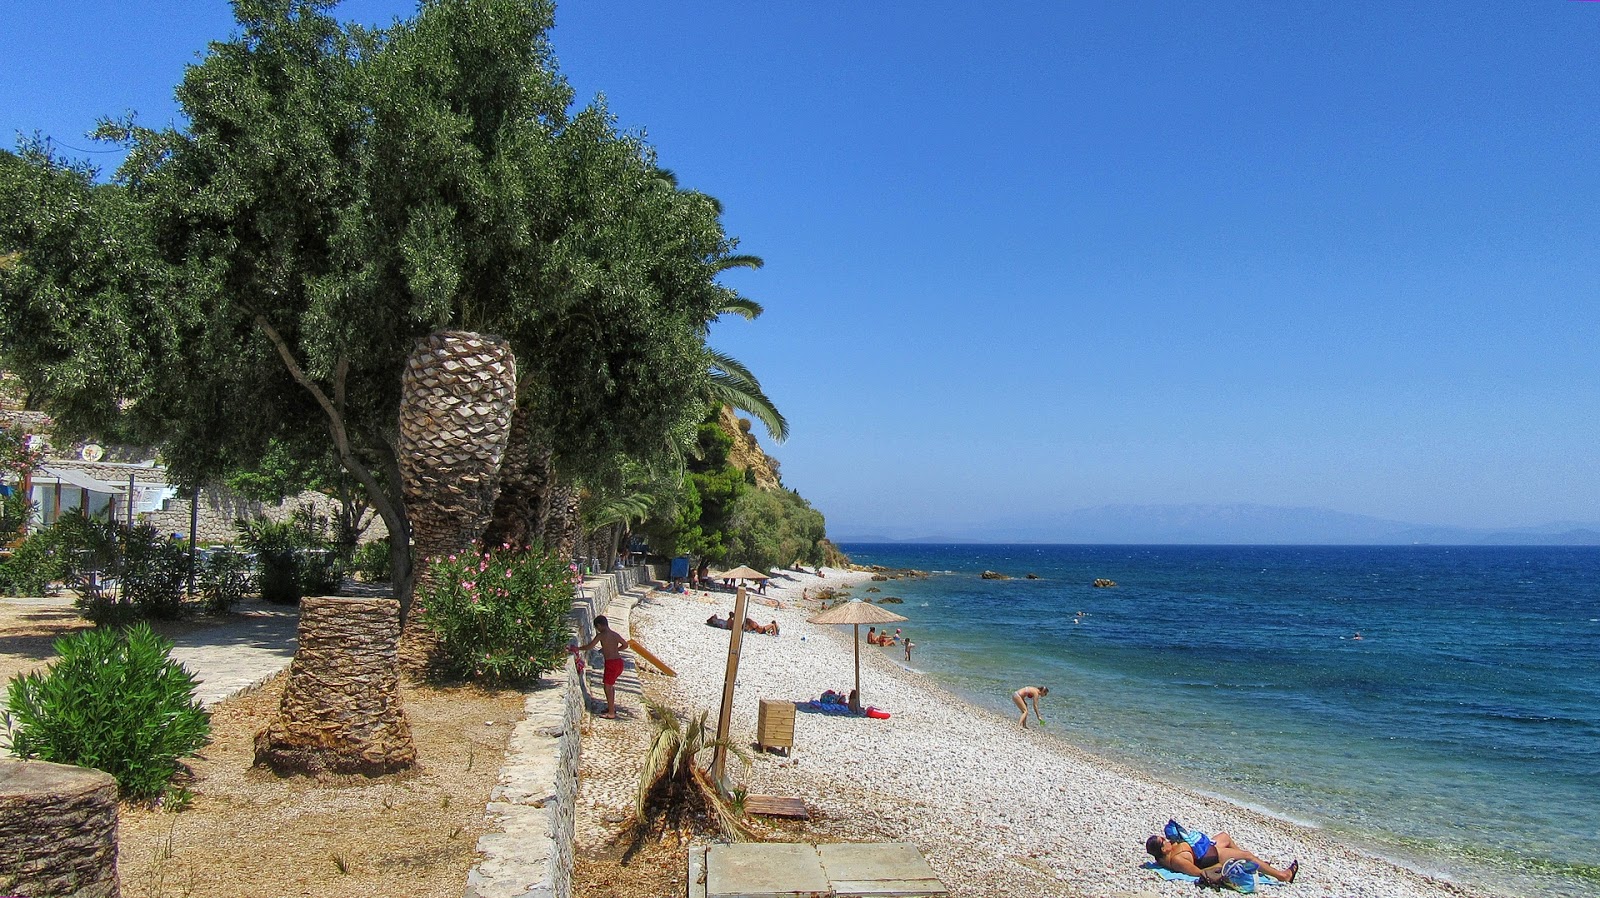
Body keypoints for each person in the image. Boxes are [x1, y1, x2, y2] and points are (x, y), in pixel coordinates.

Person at [1145, 831, 1298, 884]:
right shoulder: (1177, 860)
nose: (1166, 840)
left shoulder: (1162, 857)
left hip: (1204, 848)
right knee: (1247, 856)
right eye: (1163, 841)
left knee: (1224, 836)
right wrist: (1220, 865)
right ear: (1163, 849)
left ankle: (1252, 865)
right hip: (1211, 857)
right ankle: (1283, 876)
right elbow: (1198, 872)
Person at [570, 615, 630, 719]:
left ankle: (611, 713)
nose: (597, 630)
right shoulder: (615, 634)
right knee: (610, 686)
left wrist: (578, 648)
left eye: (596, 628)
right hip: (619, 662)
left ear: (599, 625)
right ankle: (611, 707)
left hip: (611, 664)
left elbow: (590, 646)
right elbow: (625, 645)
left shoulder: (601, 635)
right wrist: (615, 650)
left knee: (607, 687)